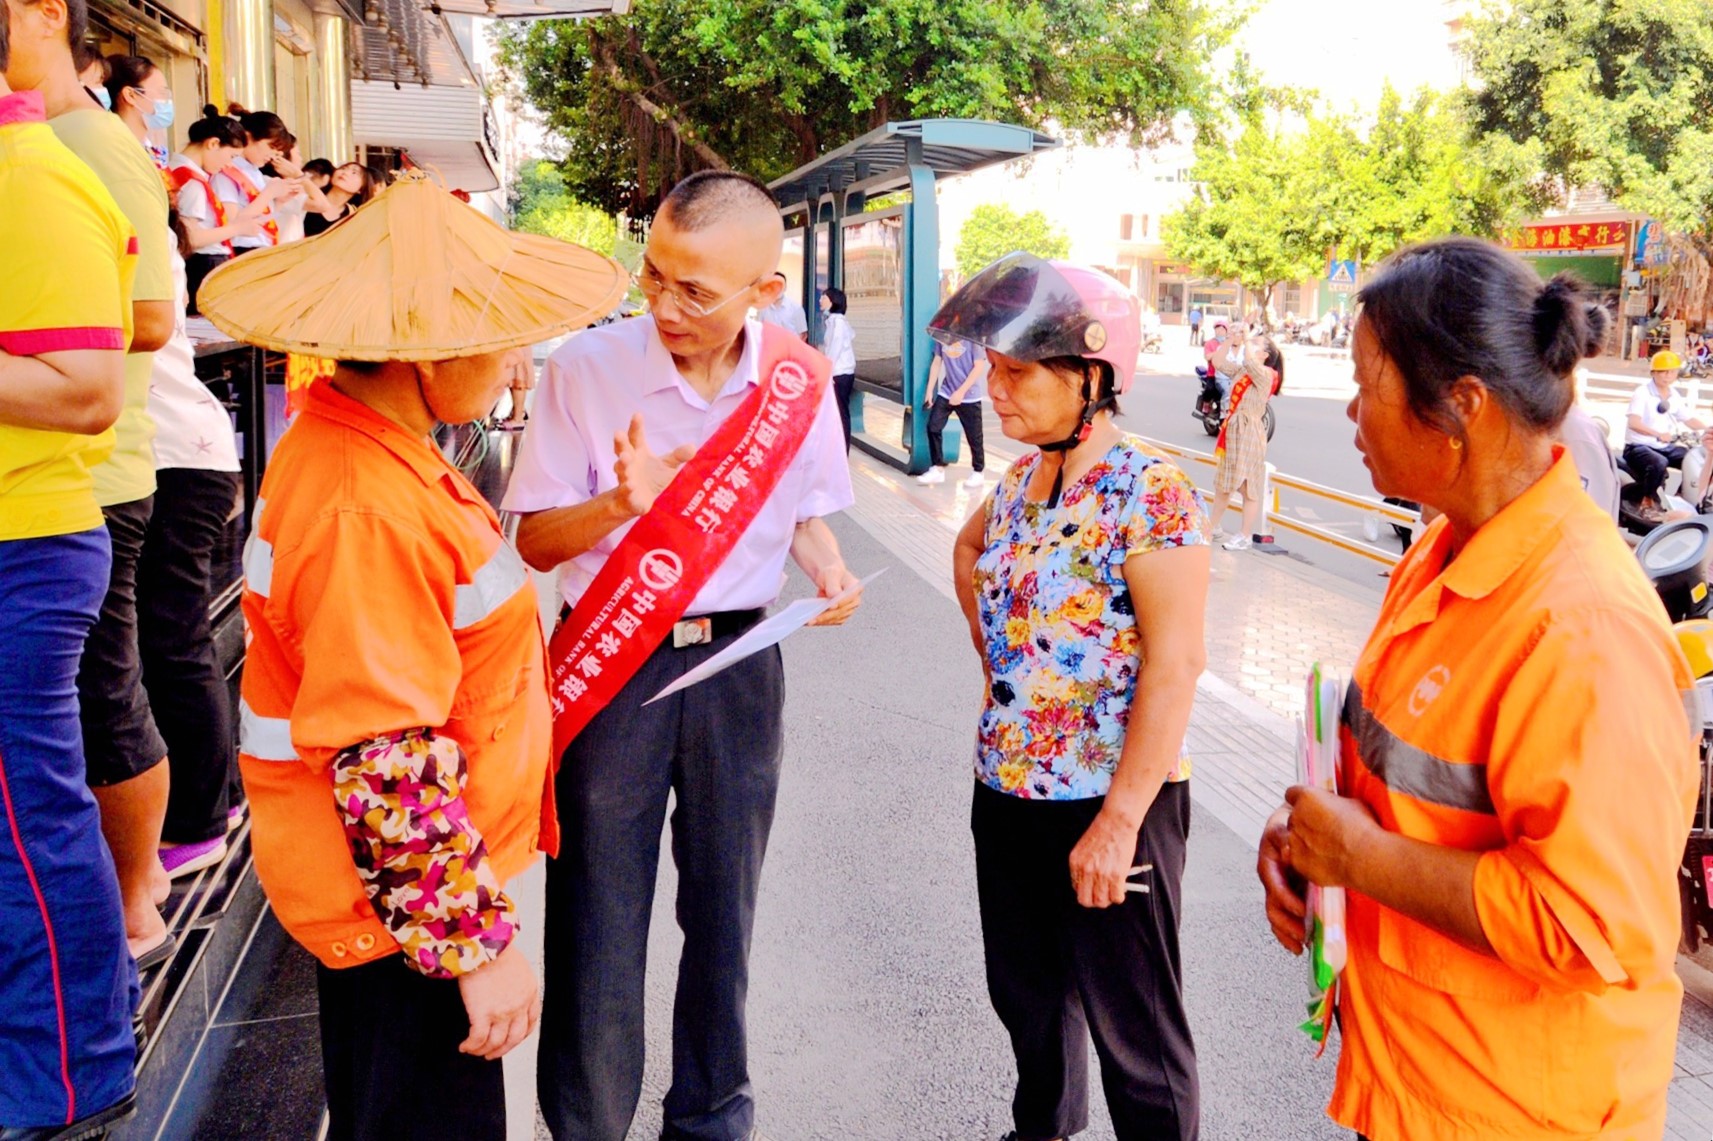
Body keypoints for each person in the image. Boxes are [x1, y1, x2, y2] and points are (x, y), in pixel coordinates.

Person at [198, 171, 629, 1141]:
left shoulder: (369, 448)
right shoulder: (366, 502)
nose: (518, 362)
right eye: (499, 333)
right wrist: (475, 948)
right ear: (420, 347)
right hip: (404, 912)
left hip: (392, 893)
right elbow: (386, 755)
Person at [1256, 239, 1698, 1140]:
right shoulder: (1436, 554)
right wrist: (1305, 838)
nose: (1349, 410)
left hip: (1521, 1110)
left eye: (1367, 381)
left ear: (1460, 406)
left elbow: (1587, 927)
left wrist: (1359, 860)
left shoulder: (1584, 630)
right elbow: (1398, 783)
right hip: (1417, 1077)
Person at [503, 169, 861, 1141]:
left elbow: (804, 514)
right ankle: (585, 1123)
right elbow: (533, 540)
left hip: (743, 661)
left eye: (695, 289)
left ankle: (711, 1114)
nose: (664, 304)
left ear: (764, 289)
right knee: (598, 915)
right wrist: (620, 506)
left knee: (725, 909)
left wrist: (829, 572)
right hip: (615, 662)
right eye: (654, 274)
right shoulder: (588, 369)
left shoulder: (796, 380)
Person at [942, 252, 1209, 1141]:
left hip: (1110, 803)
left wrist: (1120, 821)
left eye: (1016, 371)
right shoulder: (1018, 485)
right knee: (1026, 1003)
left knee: (1134, 1031)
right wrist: (1003, 675)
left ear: (1091, 374)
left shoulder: (1151, 492)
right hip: (1009, 792)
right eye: (994, 367)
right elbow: (967, 557)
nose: (995, 387)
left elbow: (1174, 666)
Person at [7, 0, 179, 965]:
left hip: (85, 483)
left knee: (101, 708)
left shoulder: (77, 147)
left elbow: (146, 317)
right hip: (72, 482)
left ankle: (133, 906)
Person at [0, 10, 140, 1135]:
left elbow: (88, 389)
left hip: (24, 545)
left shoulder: (31, 178)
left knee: (27, 822)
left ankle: (73, 1075)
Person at [136, 216, 244, 880]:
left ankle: (199, 820)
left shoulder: (145, 257)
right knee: (175, 640)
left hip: (175, 458)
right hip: (183, 454)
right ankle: (215, 805)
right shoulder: (155, 251)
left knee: (173, 640)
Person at [169, 106, 268, 313]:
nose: (228, 166)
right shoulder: (192, 182)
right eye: (231, 156)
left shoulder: (176, 170)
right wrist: (238, 229)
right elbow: (191, 239)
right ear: (213, 143)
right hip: (203, 264)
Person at [1207, 330, 1281, 550]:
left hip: (1249, 430)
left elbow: (1250, 361)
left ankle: (1244, 535)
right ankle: (1212, 527)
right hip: (1233, 428)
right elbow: (1218, 361)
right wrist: (1230, 338)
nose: (1250, 345)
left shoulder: (1266, 374)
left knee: (1249, 485)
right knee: (1225, 482)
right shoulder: (1243, 371)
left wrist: (1246, 338)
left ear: (1265, 354)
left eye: (1256, 344)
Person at [1623, 349, 1705, 518]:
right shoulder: (1643, 393)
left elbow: (1688, 419)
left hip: (1663, 446)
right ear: (1654, 372)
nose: (1668, 375)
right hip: (1638, 446)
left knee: (1692, 458)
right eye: (1663, 371)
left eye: (1672, 371)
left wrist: (1708, 429)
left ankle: (1681, 498)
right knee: (1659, 462)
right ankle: (1646, 502)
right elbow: (1634, 423)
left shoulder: (1673, 395)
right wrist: (1657, 433)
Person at [211, 109, 293, 254]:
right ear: (247, 138)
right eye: (271, 147)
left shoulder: (255, 172)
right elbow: (232, 223)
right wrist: (268, 194)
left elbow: (262, 219)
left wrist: (279, 201)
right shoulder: (227, 169)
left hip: (261, 248)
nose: (273, 155)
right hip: (240, 249)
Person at [916, 335, 989, 488]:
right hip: (947, 391)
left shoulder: (971, 338)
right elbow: (937, 362)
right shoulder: (941, 336)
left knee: (974, 436)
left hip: (969, 396)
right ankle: (937, 468)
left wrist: (961, 392)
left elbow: (979, 367)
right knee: (933, 427)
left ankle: (978, 471)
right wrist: (930, 390)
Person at [103, 53, 170, 170]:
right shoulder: (117, 153)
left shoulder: (150, 148)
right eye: (161, 93)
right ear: (131, 95)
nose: (167, 101)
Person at [820, 284, 857, 451]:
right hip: (837, 372)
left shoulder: (839, 323)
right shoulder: (834, 321)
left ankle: (843, 450)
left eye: (824, 297)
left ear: (833, 301)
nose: (820, 300)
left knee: (841, 413)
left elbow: (835, 349)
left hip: (840, 374)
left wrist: (827, 372)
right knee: (836, 411)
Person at [304, 161, 372, 237]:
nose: (345, 173)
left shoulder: (352, 217)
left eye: (354, 173)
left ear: (360, 189)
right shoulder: (310, 196)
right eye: (343, 168)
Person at [754, 271, 808, 341]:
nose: (777, 289)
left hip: (790, 350)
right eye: (774, 285)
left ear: (785, 287)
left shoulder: (796, 308)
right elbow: (758, 331)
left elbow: (803, 335)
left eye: (781, 285)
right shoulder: (763, 307)